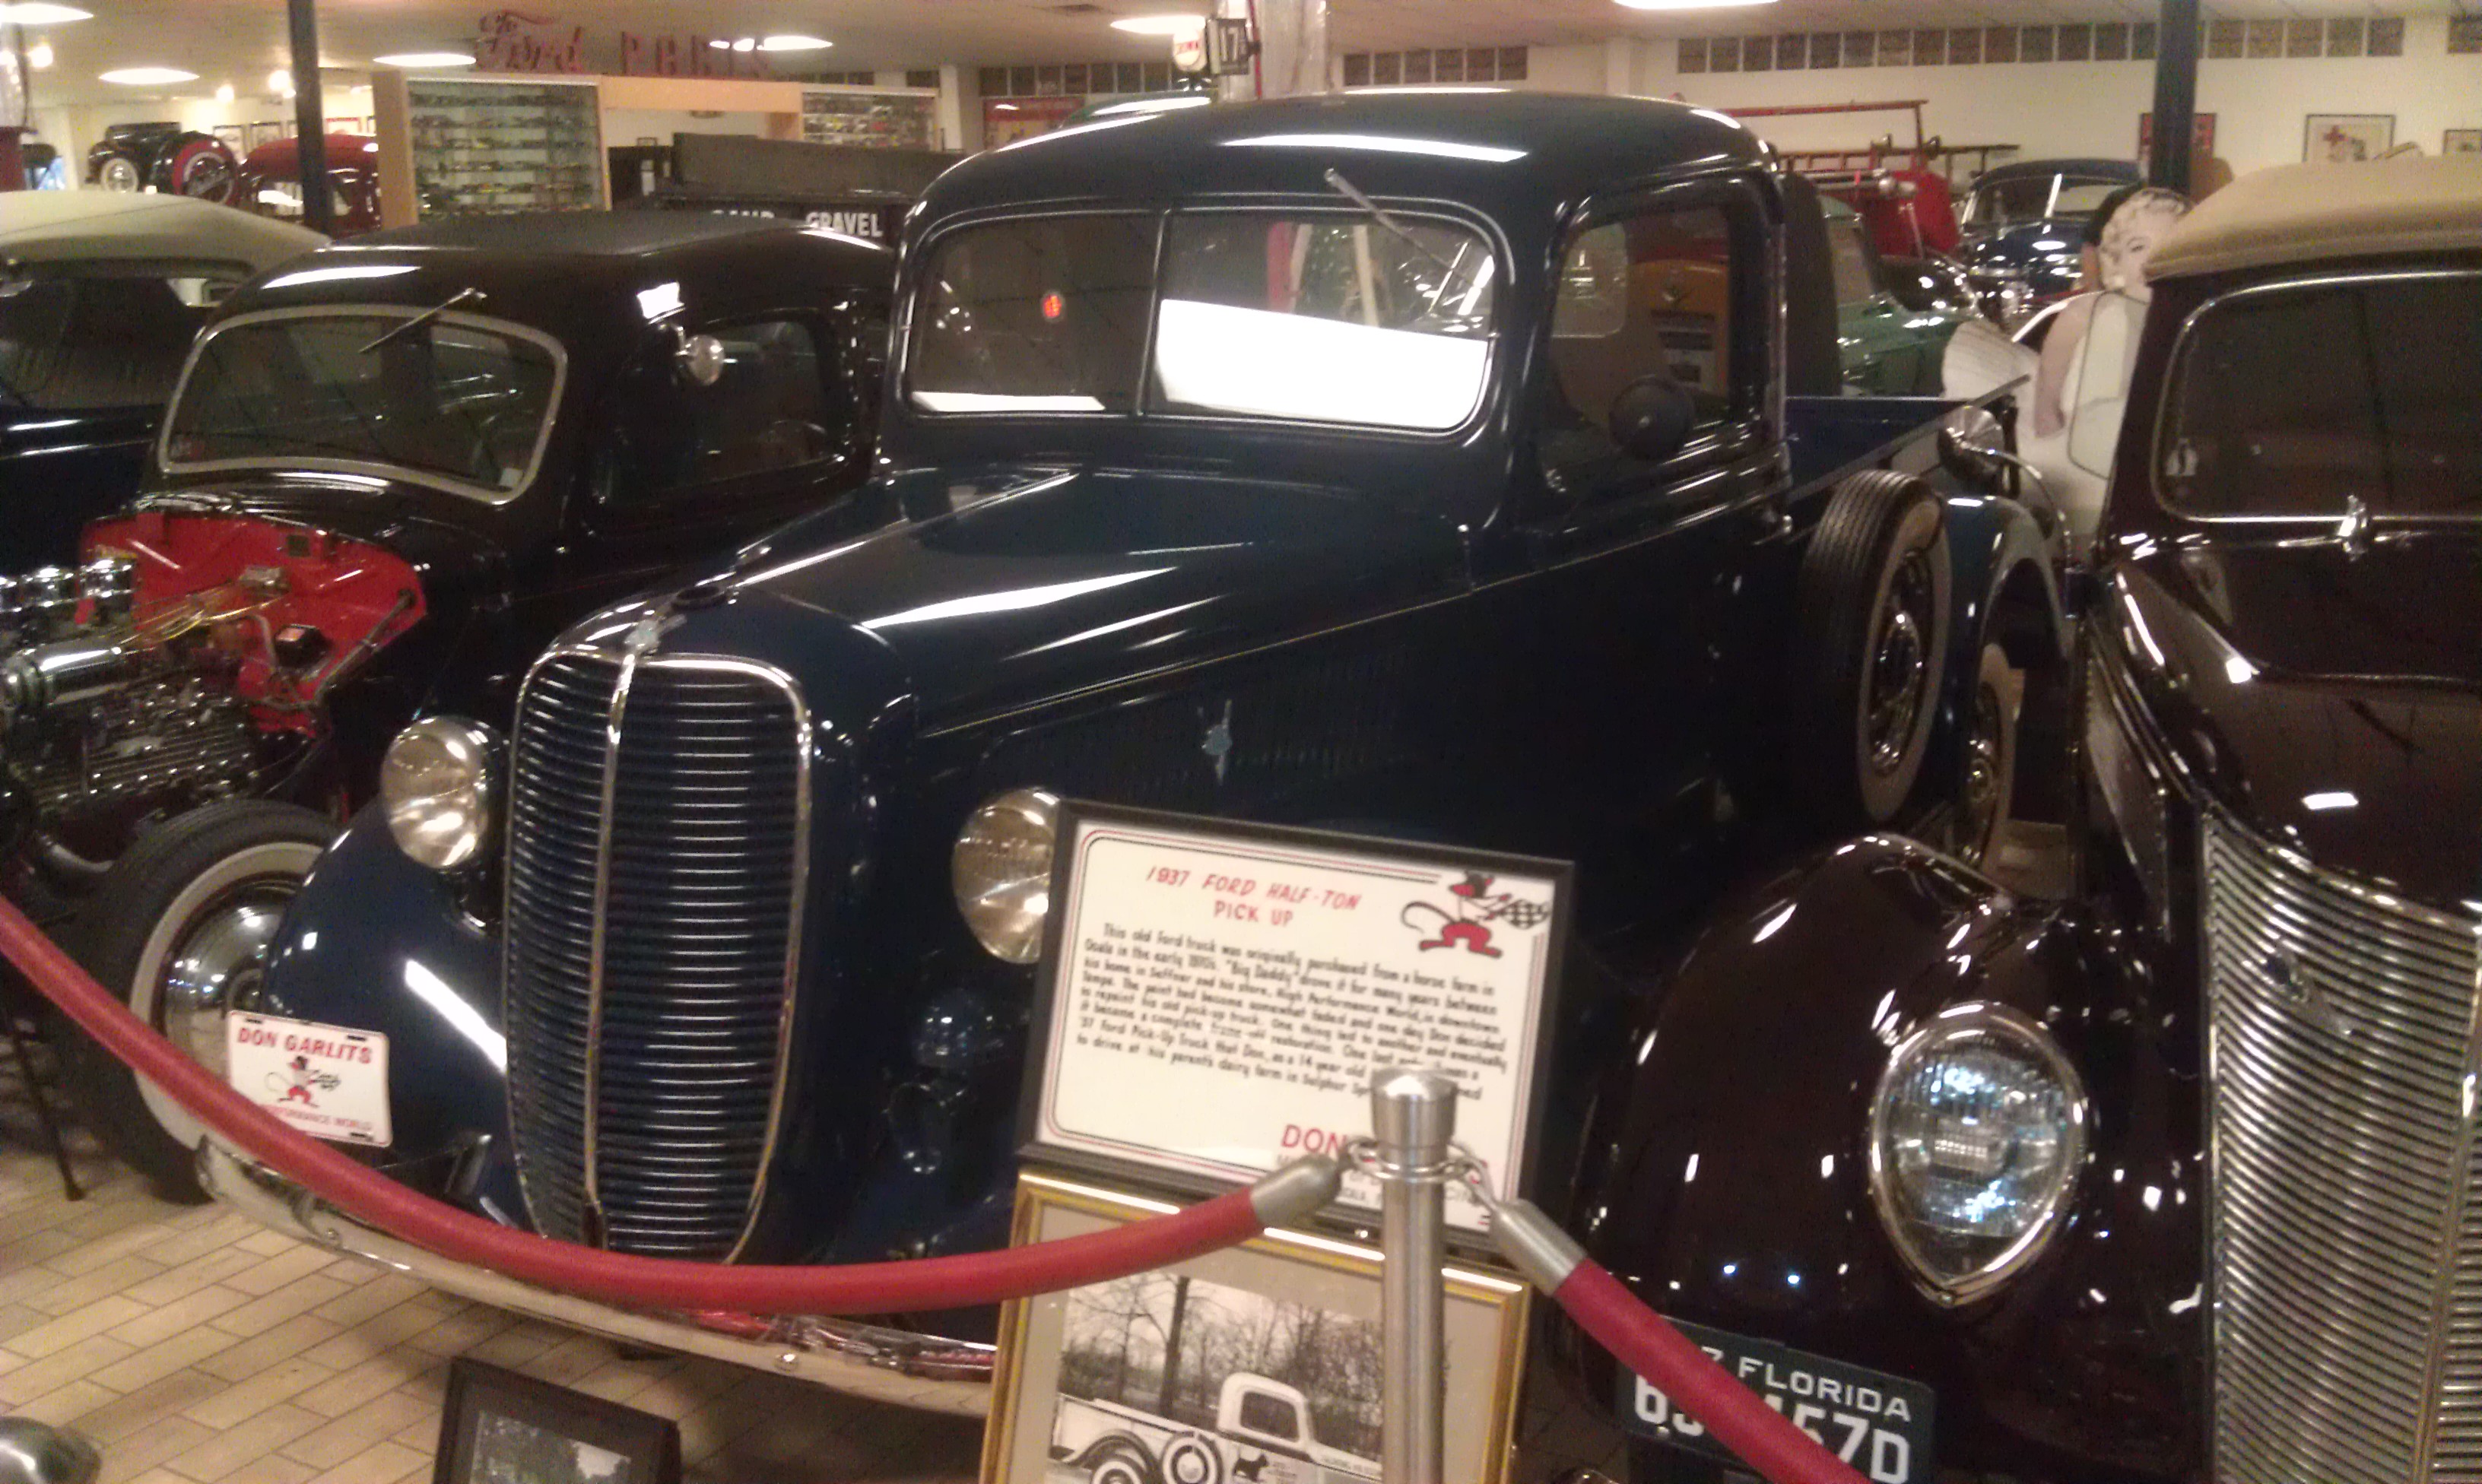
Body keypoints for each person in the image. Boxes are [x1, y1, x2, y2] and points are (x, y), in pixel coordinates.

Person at [2033, 186, 2191, 439]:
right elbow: (2046, 420)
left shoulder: (2200, 326)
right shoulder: (2079, 319)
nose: (2153, 258)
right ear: (2115, 261)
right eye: (2138, 247)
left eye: (2170, 244)